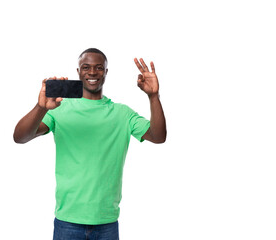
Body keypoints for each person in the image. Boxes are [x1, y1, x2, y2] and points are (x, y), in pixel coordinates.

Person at [13, 48, 167, 240]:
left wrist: (153, 97)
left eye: (99, 68)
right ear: (78, 72)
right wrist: (41, 108)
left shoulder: (122, 114)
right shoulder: (59, 109)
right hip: (67, 221)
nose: (92, 72)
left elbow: (158, 136)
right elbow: (20, 137)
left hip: (106, 222)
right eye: (86, 67)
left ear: (106, 72)